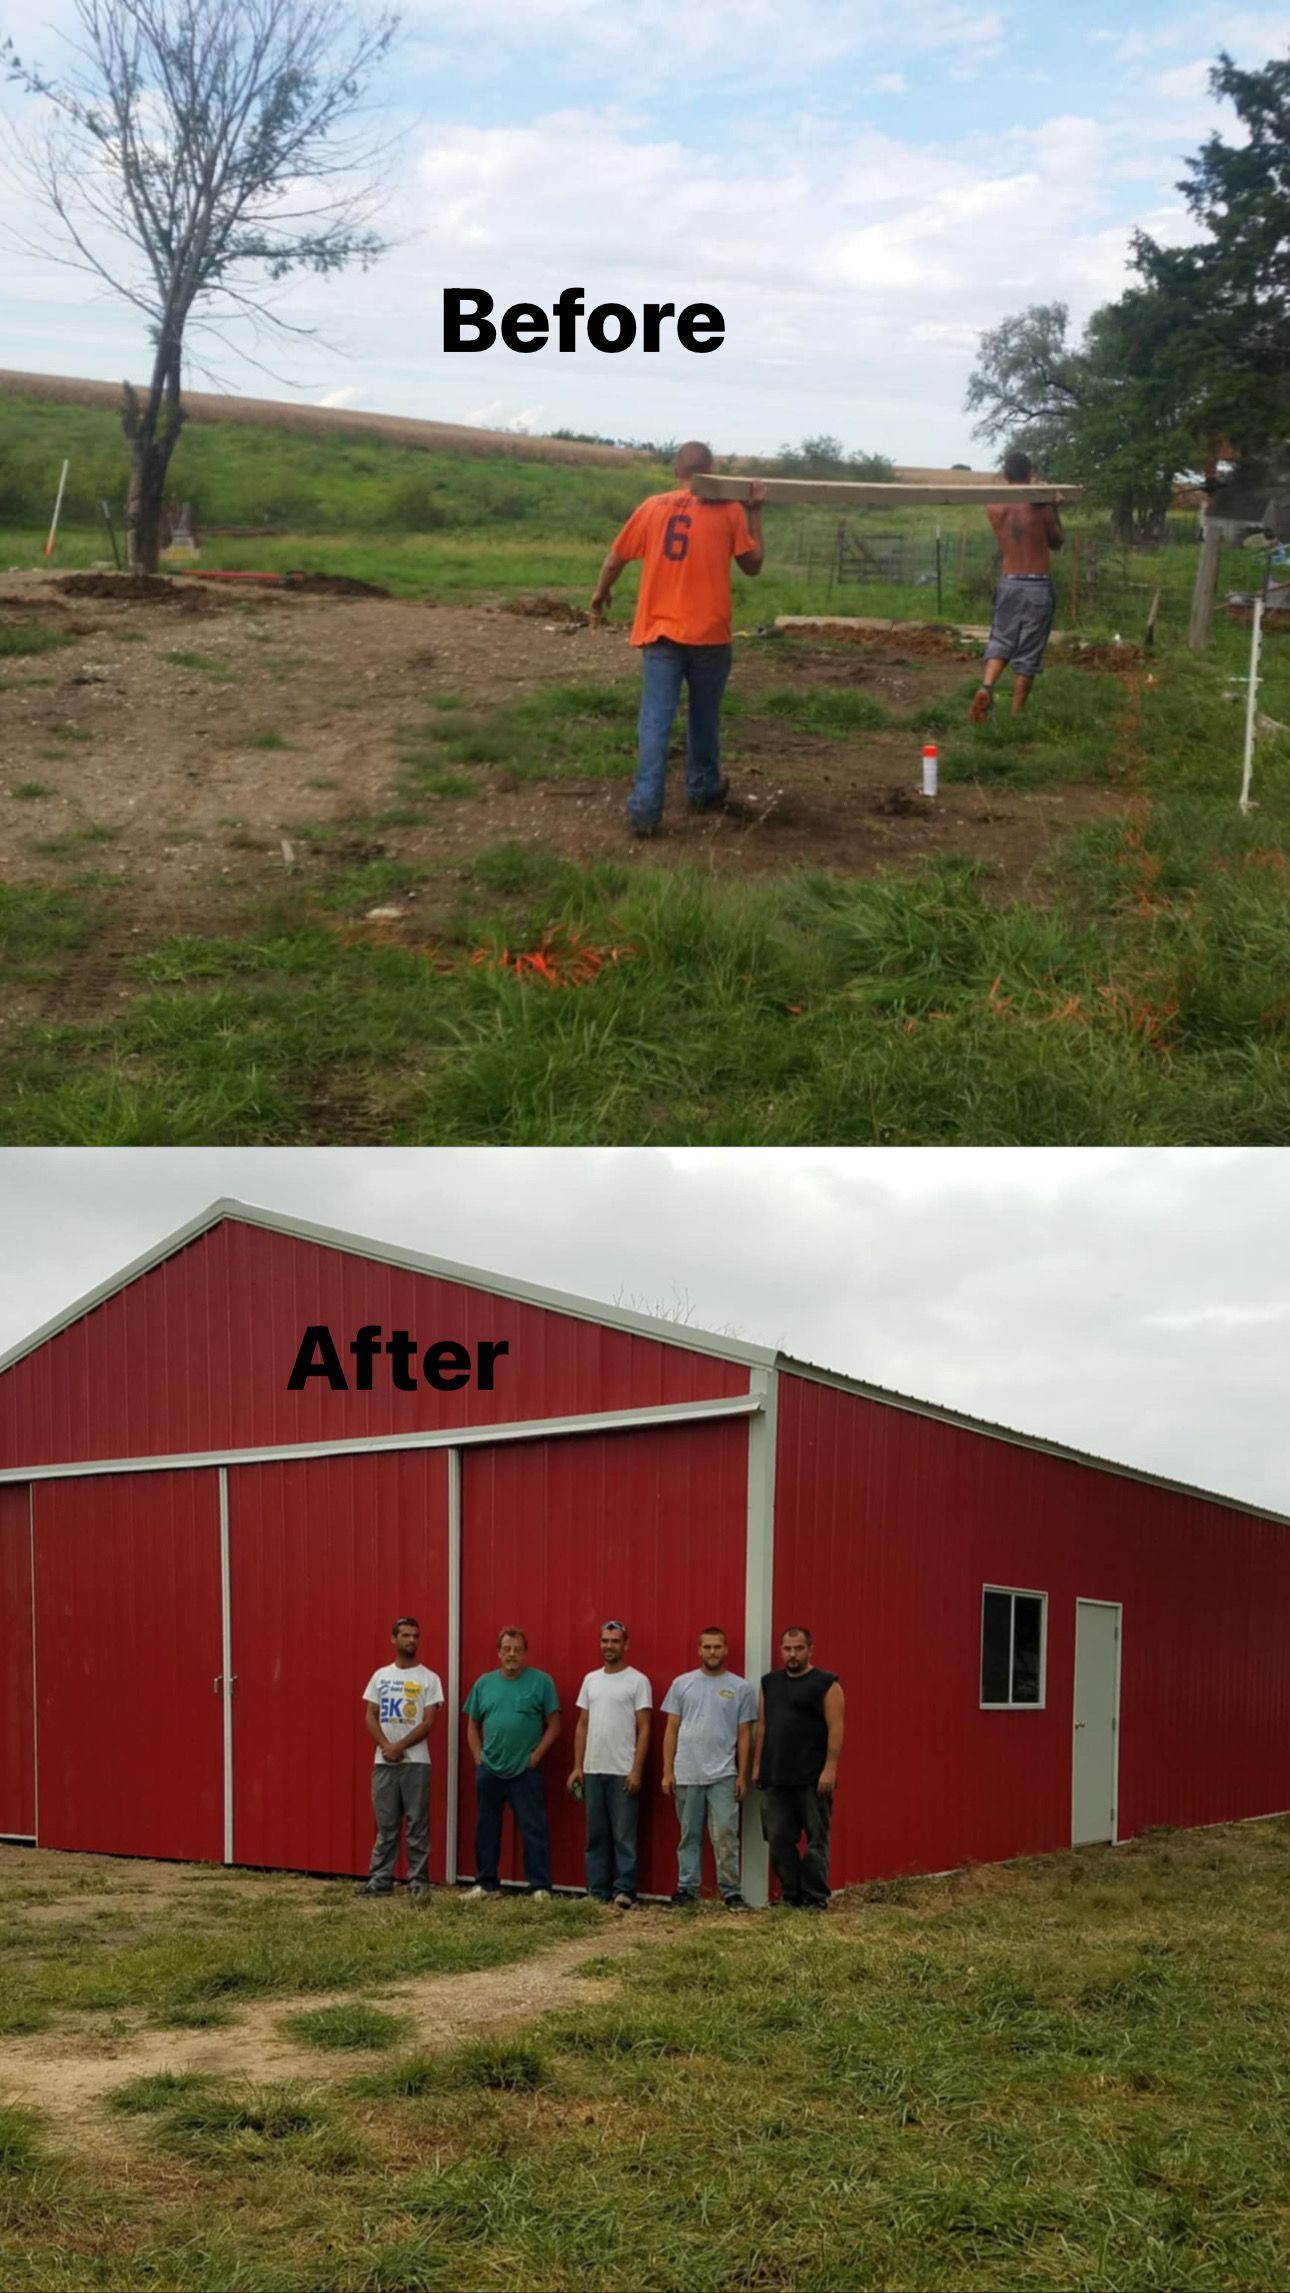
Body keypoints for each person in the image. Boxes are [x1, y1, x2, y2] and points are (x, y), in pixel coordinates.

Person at [588, 443, 767, 837]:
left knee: (655, 721)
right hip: (709, 635)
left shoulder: (652, 507)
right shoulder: (729, 510)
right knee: (704, 717)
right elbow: (753, 566)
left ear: (676, 470)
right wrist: (755, 511)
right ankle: (702, 790)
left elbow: (615, 559)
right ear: (712, 470)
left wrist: (600, 594)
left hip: (660, 634)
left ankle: (645, 810)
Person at [661, 1626, 757, 1908]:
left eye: (718, 1647)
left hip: (724, 1774)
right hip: (687, 1772)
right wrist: (668, 1770)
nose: (712, 1652)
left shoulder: (741, 1688)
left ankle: (731, 1892)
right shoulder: (682, 1684)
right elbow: (671, 1729)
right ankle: (687, 1890)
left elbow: (744, 1734)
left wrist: (742, 1775)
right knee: (688, 1835)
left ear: (726, 1650)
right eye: (707, 1647)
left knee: (726, 1834)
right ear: (699, 1650)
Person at [752, 1626, 844, 1912]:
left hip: (812, 1778)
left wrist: (830, 1768)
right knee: (778, 1838)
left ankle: (814, 1896)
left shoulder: (827, 1683)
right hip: (776, 1777)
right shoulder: (769, 1683)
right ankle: (790, 1894)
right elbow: (763, 1727)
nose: (792, 1654)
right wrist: (757, 1765)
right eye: (787, 1649)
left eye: (798, 1648)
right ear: (781, 1650)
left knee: (817, 1839)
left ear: (809, 1649)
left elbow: (836, 1727)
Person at [464, 1628, 561, 1899]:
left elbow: (554, 1725)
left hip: (525, 1770)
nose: (512, 1654)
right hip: (490, 1769)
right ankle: (486, 1884)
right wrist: (478, 1757)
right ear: (498, 1652)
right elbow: (472, 1726)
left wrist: (537, 1756)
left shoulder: (541, 1682)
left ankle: (539, 1886)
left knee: (533, 1827)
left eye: (517, 1649)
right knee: (487, 1828)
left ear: (524, 1652)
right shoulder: (484, 1683)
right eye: (506, 1649)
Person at [969, 449, 1065, 720]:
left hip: (1009, 581)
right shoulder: (1041, 506)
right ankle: (1016, 717)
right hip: (1037, 585)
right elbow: (1057, 542)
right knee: (1029, 651)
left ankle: (986, 687)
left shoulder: (993, 506)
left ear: (1006, 474)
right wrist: (1053, 507)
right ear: (1030, 473)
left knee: (1001, 639)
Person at [357, 1616, 444, 1898]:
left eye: (415, 1636)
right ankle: (380, 1880)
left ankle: (418, 1881)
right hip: (384, 1763)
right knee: (386, 1825)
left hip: (416, 1762)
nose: (411, 1641)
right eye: (405, 1635)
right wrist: (386, 1746)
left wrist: (400, 1746)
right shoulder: (380, 1676)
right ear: (393, 1639)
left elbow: (429, 1721)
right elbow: (370, 1714)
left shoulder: (429, 1679)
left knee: (417, 1824)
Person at [568, 1619, 652, 1908]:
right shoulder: (591, 1679)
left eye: (615, 1641)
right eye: (605, 1641)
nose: (609, 1646)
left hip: (622, 1772)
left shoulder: (638, 1681)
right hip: (593, 1770)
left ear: (625, 1645)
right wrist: (578, 1766)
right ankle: (597, 1890)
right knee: (595, 1835)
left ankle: (625, 1890)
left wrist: (637, 1769)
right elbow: (582, 1725)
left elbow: (645, 1728)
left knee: (624, 1836)